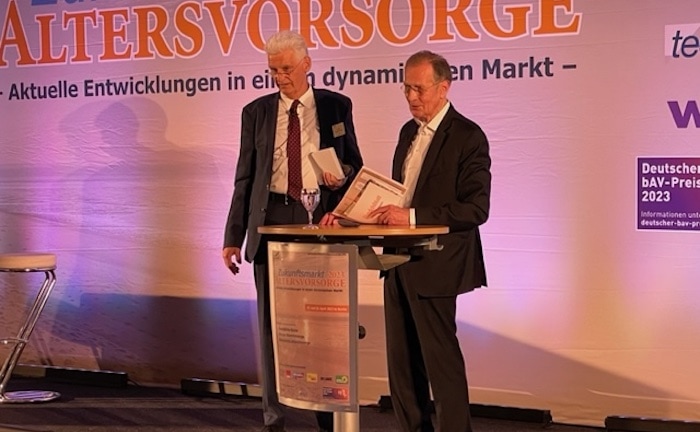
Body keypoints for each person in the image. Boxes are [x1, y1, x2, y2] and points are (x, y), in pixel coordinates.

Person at [221, 30, 364, 432]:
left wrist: (342, 176)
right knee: (272, 324)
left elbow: (354, 162)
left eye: (286, 69)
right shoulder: (256, 112)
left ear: (306, 64)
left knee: (323, 324)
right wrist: (233, 237)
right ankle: (274, 417)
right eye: (273, 70)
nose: (280, 77)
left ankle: (328, 415)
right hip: (272, 217)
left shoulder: (336, 106)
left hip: (319, 218)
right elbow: (245, 177)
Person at [370, 50, 491, 432]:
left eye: (419, 89)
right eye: (406, 88)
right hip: (396, 260)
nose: (411, 97)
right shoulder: (407, 132)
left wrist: (412, 217)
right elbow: (404, 194)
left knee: (441, 364)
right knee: (402, 365)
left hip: (436, 264)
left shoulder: (468, 135)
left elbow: (475, 208)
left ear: (443, 87)